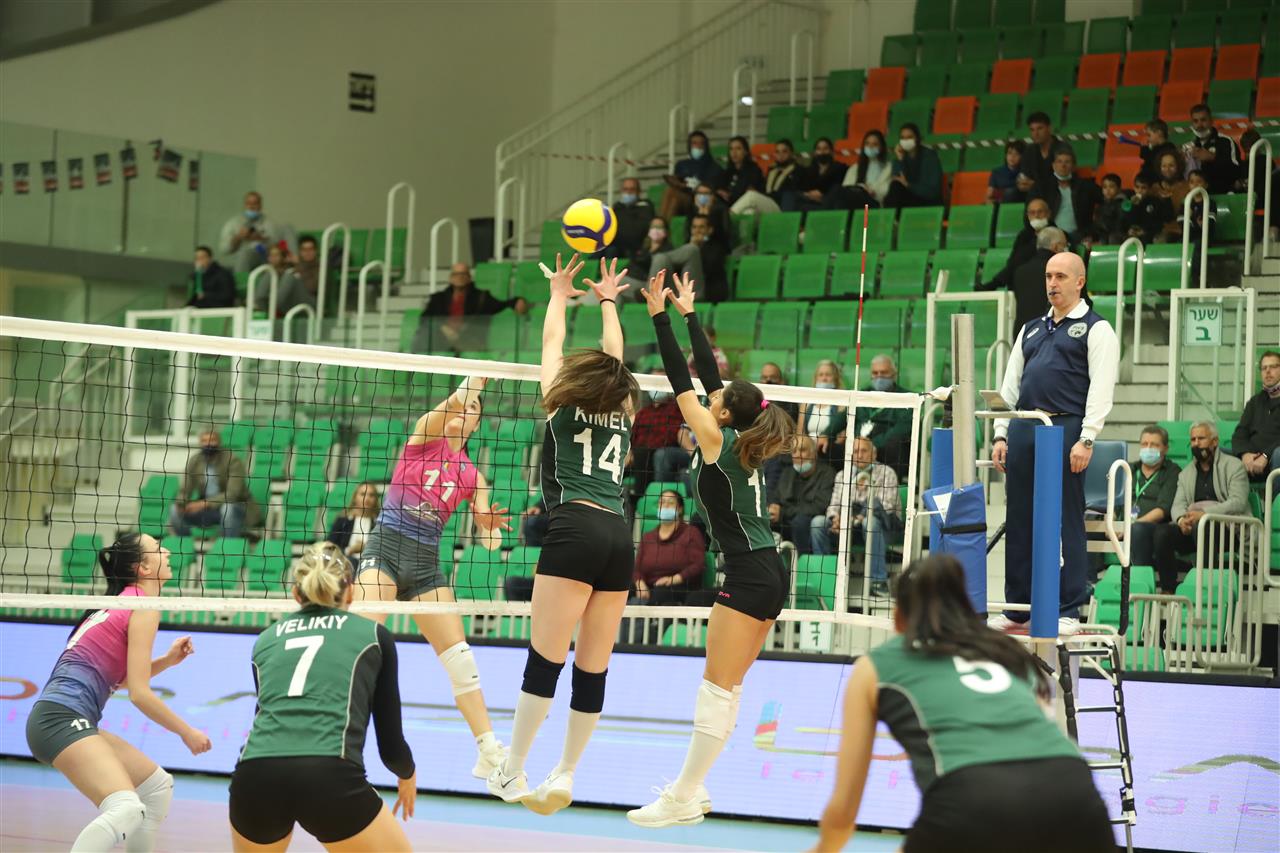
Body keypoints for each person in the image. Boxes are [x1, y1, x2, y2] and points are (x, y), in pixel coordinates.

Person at [629, 269, 796, 827]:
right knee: (729, 689)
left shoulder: (717, 440)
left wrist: (659, 316)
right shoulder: (742, 437)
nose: (712, 394)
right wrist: (690, 314)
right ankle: (695, 790)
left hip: (748, 574)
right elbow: (709, 375)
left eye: (718, 398)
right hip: (769, 571)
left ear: (723, 413)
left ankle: (681, 794)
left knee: (715, 689)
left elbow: (683, 381)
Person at [812, 555, 1114, 853]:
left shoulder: (877, 665)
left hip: (971, 797)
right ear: (966, 607)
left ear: (898, 617)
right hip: (1074, 790)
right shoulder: (1006, 651)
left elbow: (844, 809)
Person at [486, 256, 639, 815]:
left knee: (545, 660)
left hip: (574, 526)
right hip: (619, 534)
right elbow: (615, 356)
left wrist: (558, 293)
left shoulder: (560, 402)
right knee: (592, 667)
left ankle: (513, 769)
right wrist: (607, 301)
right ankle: (567, 771)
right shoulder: (624, 409)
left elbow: (552, 341)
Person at [353, 373, 511, 782]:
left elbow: (488, 536)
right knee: (358, 645)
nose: (463, 411)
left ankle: (488, 750)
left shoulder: (472, 476)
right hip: (386, 549)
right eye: (461, 404)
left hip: (425, 564)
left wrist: (487, 525)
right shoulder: (425, 435)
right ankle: (335, 736)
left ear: (477, 424)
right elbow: (453, 403)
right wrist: (471, 388)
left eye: (473, 410)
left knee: (461, 659)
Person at [26, 533, 210, 852]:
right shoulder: (142, 606)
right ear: (143, 568)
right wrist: (187, 732)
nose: (167, 551)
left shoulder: (122, 601)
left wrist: (167, 661)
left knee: (157, 788)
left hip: (62, 719)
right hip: (59, 720)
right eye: (158, 549)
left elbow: (121, 680)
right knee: (126, 808)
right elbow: (139, 694)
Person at [229, 542, 416, 852]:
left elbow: (265, 715)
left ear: (295, 593)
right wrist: (407, 774)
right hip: (328, 776)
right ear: (351, 591)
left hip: (255, 776)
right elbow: (391, 748)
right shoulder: (373, 636)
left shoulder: (265, 640)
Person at [991, 252, 1120, 635]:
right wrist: (1001, 432)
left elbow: (1102, 389)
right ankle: (1018, 608)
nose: (1052, 283)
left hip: (1065, 429)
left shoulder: (1097, 329)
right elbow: (1009, 386)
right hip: (1024, 427)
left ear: (1080, 282)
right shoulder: (1031, 329)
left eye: (1061, 276)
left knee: (1066, 519)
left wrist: (1087, 437)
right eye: (1049, 275)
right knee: (1018, 519)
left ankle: (1068, 608)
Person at [1152, 422, 1249, 593]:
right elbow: (1177, 505)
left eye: (1201, 438)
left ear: (1215, 441)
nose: (1196, 443)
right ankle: (1168, 589)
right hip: (1193, 527)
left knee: (1204, 527)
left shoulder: (1234, 466)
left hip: (1228, 528)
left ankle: (1206, 589)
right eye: (1193, 439)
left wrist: (1204, 514)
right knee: (1162, 532)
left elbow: (1238, 502)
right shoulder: (1186, 473)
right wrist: (1181, 520)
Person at [816, 437, 902, 596]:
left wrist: (853, 519)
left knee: (870, 522)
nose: (859, 455)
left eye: (864, 451)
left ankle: (878, 581)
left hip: (883, 528)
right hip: (850, 528)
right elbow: (833, 505)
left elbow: (886, 507)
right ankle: (825, 579)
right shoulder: (842, 475)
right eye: (855, 451)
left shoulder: (886, 473)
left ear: (874, 454)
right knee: (818, 523)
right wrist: (835, 519)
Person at [416, 262, 528, 352]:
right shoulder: (438, 298)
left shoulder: (481, 297)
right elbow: (425, 319)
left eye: (463, 274)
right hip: (442, 340)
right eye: (456, 274)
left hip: (468, 341)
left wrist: (517, 301)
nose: (460, 277)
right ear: (451, 278)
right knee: (423, 334)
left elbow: (501, 305)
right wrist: (445, 329)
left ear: (469, 278)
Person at [170, 428, 259, 540]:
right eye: (204, 441)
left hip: (236, 507)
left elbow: (232, 494)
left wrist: (203, 504)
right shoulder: (195, 461)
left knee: (227, 509)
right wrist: (181, 503)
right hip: (207, 511)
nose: (208, 444)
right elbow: (185, 489)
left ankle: (228, 546)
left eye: (212, 440)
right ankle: (185, 545)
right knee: (174, 511)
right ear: (200, 443)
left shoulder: (233, 460)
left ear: (219, 442)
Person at [633, 490, 708, 605]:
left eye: (671, 503)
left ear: (680, 509)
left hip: (678, 587)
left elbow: (698, 565)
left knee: (660, 593)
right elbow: (637, 569)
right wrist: (640, 584)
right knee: (623, 588)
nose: (665, 505)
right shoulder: (648, 537)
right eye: (662, 502)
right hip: (648, 587)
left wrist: (674, 579)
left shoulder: (691, 533)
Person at [767, 436, 836, 555]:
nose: (797, 455)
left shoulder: (827, 473)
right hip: (786, 521)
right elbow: (776, 498)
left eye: (802, 450)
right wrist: (773, 509)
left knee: (800, 522)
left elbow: (818, 507)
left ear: (814, 454)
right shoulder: (787, 473)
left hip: (809, 524)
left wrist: (783, 512)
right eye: (794, 451)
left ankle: (802, 562)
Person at [1126, 425, 1181, 568]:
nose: (1148, 448)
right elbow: (1115, 500)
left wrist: (1129, 526)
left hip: (1152, 527)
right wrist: (1112, 522)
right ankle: (1089, 578)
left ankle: (1140, 577)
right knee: (1093, 528)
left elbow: (1162, 510)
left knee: (1138, 530)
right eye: (1144, 444)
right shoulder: (1129, 469)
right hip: (1124, 523)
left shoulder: (1172, 472)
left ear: (1165, 448)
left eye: (1154, 445)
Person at [851, 354, 913, 479]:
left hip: (886, 447)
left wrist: (872, 445)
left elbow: (901, 429)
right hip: (860, 444)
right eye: (875, 373)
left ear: (894, 374)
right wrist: (825, 434)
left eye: (884, 373)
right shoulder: (860, 395)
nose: (879, 377)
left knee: (895, 444)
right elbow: (842, 418)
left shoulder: (907, 397)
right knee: (830, 446)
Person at [628, 372, 688, 500]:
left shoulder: (676, 409)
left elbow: (676, 434)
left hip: (661, 450)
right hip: (638, 453)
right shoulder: (643, 412)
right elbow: (632, 435)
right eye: (654, 383)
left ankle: (641, 498)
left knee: (650, 455)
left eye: (660, 383)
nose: (657, 387)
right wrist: (629, 451)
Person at [1030, 148, 1101, 245]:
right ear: (1053, 165)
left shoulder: (1086, 187)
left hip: (1079, 235)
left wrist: (1092, 232)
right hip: (1050, 234)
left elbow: (1106, 200)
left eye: (1067, 162)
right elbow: (1030, 210)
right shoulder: (1041, 187)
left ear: (1073, 166)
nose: (1063, 165)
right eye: (1059, 162)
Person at [979, 198, 1054, 290]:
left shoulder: (1057, 233)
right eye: (1032, 213)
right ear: (1028, 216)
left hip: (1046, 275)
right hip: (1023, 275)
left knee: (1024, 254)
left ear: (1048, 214)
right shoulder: (1024, 235)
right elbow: (1013, 259)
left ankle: (996, 283)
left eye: (1040, 212)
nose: (1036, 216)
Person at [1233, 350, 1280, 481]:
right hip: (1251, 459)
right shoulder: (1255, 402)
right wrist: (1244, 454)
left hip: (1274, 459)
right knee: (1214, 452)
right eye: (1264, 368)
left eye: (1273, 366)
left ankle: (1276, 495)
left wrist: (1266, 455)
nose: (1268, 371)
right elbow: (1240, 434)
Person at [219, 191, 291, 274]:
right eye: (249, 203)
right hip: (238, 259)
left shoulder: (270, 223)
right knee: (243, 254)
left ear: (260, 205)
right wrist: (238, 237)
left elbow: (277, 247)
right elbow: (224, 249)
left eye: (255, 203)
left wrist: (260, 239)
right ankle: (241, 281)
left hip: (262, 257)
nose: (251, 206)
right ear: (244, 205)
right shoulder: (233, 223)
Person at [1009, 226, 1064, 332]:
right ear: (1056, 247)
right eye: (1065, 246)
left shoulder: (1020, 271)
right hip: (1049, 332)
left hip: (1022, 332)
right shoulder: (1060, 272)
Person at [661, 130, 724, 220]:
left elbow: (710, 188)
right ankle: (662, 223)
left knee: (672, 194)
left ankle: (661, 224)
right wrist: (679, 184)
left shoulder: (714, 167)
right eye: (694, 143)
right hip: (681, 197)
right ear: (689, 146)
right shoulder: (682, 164)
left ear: (706, 146)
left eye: (701, 144)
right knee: (671, 193)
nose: (698, 146)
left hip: (699, 199)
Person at [797, 360, 848, 469]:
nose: (824, 378)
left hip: (829, 451)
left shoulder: (842, 402)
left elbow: (842, 437)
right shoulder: (806, 403)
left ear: (835, 378)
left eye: (828, 375)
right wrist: (808, 449)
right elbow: (800, 433)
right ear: (816, 378)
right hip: (807, 451)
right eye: (821, 375)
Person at [731, 139, 803, 215]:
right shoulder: (772, 170)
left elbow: (789, 192)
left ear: (791, 153)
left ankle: (728, 215)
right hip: (769, 202)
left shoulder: (797, 170)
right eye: (777, 152)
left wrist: (761, 194)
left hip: (781, 206)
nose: (780, 155)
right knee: (749, 211)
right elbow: (765, 189)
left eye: (784, 151)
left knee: (751, 195)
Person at [826, 130, 893, 211]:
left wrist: (873, 191)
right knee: (836, 191)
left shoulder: (889, 168)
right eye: (867, 144)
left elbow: (888, 190)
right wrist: (860, 187)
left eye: (875, 144)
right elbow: (846, 187)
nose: (870, 147)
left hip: (873, 204)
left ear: (882, 147)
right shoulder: (855, 168)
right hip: (856, 201)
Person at [1182, 104, 1241, 195]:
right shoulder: (1189, 146)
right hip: (1197, 196)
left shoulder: (1225, 141)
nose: (1199, 125)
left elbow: (1237, 172)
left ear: (1211, 121)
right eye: (1195, 121)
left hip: (1223, 194)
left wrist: (1213, 158)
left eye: (1203, 120)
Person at [884, 123, 943, 208]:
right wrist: (900, 159)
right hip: (909, 199)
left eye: (909, 137)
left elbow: (931, 192)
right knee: (894, 188)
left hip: (927, 201)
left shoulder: (929, 156)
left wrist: (908, 185)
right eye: (902, 138)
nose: (906, 141)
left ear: (917, 138)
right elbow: (897, 180)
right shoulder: (901, 156)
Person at [1016, 112, 1067, 196]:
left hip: (1058, 193)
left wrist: (1036, 185)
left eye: (1040, 128)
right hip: (1033, 193)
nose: (1035, 133)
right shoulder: (1029, 150)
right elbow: (1024, 174)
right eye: (1032, 130)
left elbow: (1063, 179)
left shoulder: (1063, 148)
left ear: (1049, 128)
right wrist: (1022, 183)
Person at [326, 480, 381, 561]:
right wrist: (350, 550)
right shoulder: (343, 520)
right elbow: (329, 548)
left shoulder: (379, 523)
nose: (367, 498)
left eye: (371, 495)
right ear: (355, 497)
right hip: (344, 562)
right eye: (363, 494)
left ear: (376, 499)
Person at [606, 176, 654, 263]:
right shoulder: (617, 207)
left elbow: (641, 229)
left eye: (632, 189)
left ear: (638, 192)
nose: (628, 192)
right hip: (616, 245)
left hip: (636, 247)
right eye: (625, 189)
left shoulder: (645, 206)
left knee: (612, 251)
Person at [1121, 173, 1174, 245]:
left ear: (1149, 189)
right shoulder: (1129, 201)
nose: (1139, 190)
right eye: (1137, 187)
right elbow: (1124, 221)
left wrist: (1145, 230)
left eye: (1143, 188)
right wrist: (1134, 207)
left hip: (1150, 233)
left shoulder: (1155, 202)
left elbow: (1162, 221)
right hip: (1133, 232)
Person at [714, 136, 764, 210]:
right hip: (730, 206)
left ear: (746, 152)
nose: (734, 152)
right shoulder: (728, 172)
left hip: (751, 206)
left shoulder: (754, 170)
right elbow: (719, 188)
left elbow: (749, 193)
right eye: (731, 149)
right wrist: (720, 192)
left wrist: (730, 195)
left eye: (738, 148)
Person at [797, 137, 848, 211]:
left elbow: (837, 188)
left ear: (831, 151)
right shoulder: (808, 170)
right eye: (819, 149)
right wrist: (809, 194)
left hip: (830, 202)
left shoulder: (839, 168)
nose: (822, 152)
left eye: (825, 149)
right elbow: (803, 187)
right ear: (815, 152)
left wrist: (822, 195)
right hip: (810, 201)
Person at [689, 214, 729, 303]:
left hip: (710, 291)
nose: (697, 231)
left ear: (710, 230)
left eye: (701, 227)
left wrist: (695, 248)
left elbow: (708, 269)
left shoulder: (716, 248)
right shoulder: (687, 247)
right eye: (694, 227)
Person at [1154, 150, 1191, 238]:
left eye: (1171, 165)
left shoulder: (1187, 187)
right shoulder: (1154, 189)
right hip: (1157, 232)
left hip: (1182, 233)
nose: (1167, 169)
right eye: (1164, 166)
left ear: (1178, 167)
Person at [1089, 174, 1127, 245]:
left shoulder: (1123, 204)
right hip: (1103, 236)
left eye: (1111, 186)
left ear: (1119, 188)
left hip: (1116, 237)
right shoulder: (1101, 205)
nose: (1107, 190)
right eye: (1105, 187)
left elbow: (1120, 225)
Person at [1138, 119, 1177, 183]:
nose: (1147, 139)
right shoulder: (1155, 148)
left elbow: (1152, 160)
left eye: (1149, 135)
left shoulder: (1168, 148)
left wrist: (1144, 148)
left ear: (1159, 132)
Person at [988, 140, 1026, 204]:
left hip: (1020, 203)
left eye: (1016, 154)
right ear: (1006, 155)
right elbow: (989, 196)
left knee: (1011, 192)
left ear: (1022, 156)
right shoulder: (996, 172)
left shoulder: (1026, 172)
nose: (1012, 156)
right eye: (1009, 153)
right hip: (1001, 204)